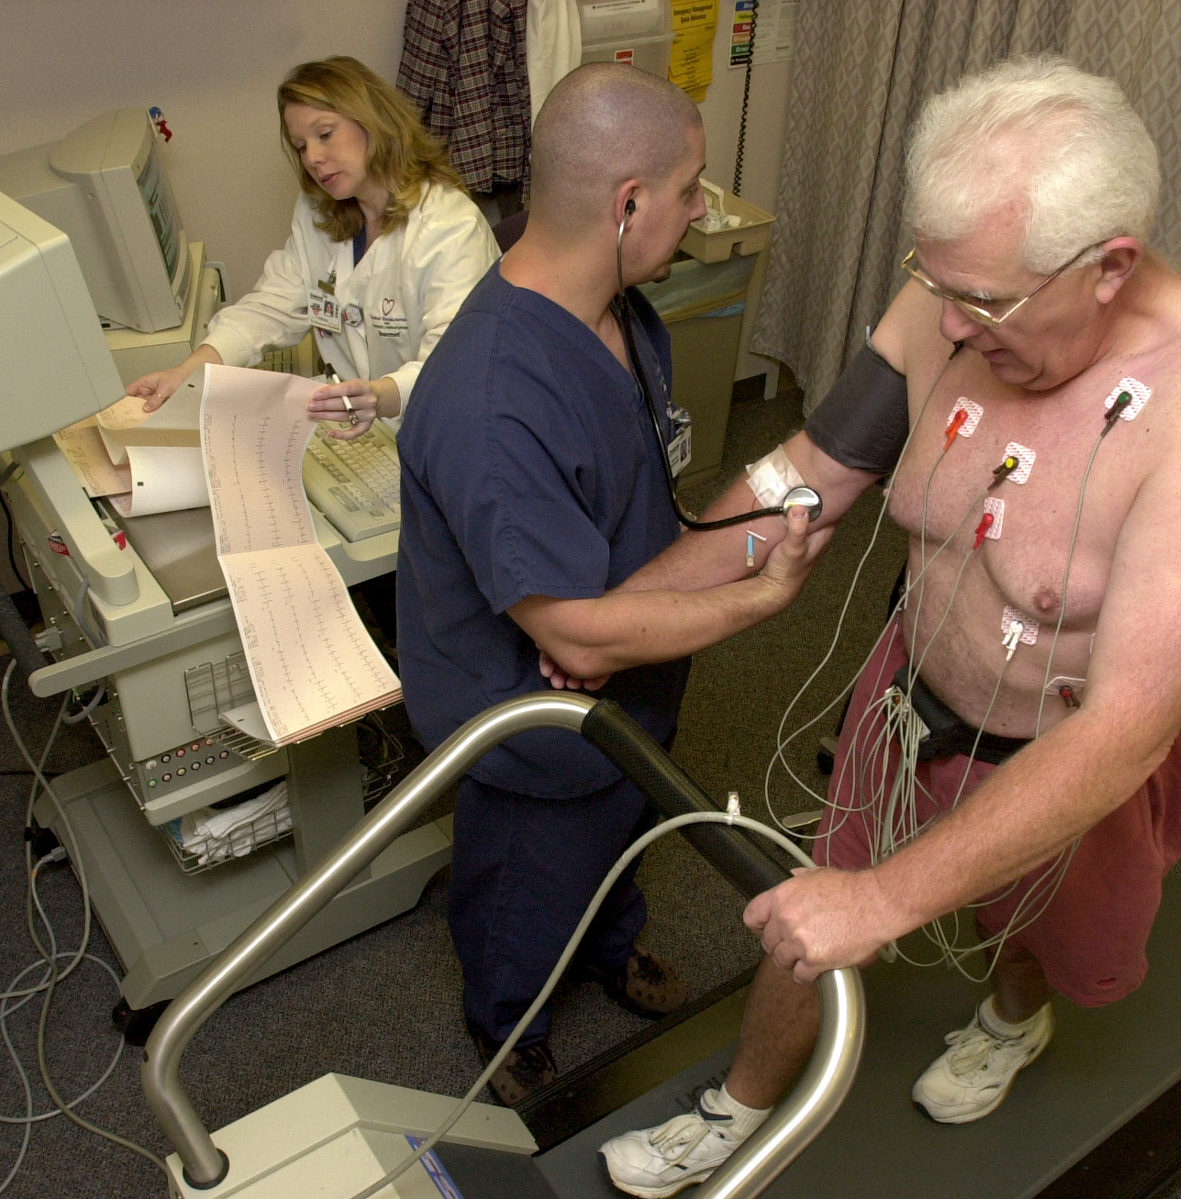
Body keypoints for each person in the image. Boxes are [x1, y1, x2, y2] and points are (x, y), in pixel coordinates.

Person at [597, 55, 1181, 1197]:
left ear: (1110, 266)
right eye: (937, 281)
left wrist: (886, 904)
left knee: (1025, 933)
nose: (952, 323)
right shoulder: (957, 296)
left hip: (1066, 749)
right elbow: (804, 477)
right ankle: (738, 1106)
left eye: (988, 302)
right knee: (813, 911)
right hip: (906, 700)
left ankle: (1014, 1019)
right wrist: (617, 622)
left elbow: (1128, 723)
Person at [395, 63, 828, 1107]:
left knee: (630, 822)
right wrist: (758, 598)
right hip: (532, 717)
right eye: (689, 189)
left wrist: (637, 615)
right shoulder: (494, 401)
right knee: (527, 879)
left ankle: (609, 944)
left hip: (631, 671)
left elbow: (625, 504)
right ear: (627, 204)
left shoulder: (617, 311)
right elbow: (577, 641)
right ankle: (510, 1019)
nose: (701, 211)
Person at [125, 56, 498, 438]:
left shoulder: (450, 229)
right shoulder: (319, 212)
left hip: (438, 432)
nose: (313, 159)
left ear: (374, 122)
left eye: (325, 134)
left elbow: (455, 368)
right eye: (301, 146)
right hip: (359, 429)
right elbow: (270, 308)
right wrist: (186, 374)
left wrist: (379, 396)